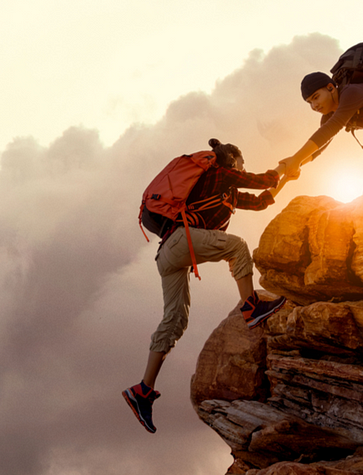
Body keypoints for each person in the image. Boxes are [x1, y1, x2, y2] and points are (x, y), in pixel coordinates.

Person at [122, 139, 287, 434]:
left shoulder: (224, 192)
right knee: (238, 246)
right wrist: (284, 169)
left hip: (168, 255)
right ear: (232, 161)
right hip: (183, 241)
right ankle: (251, 308)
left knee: (175, 321)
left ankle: (143, 390)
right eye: (241, 162)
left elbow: (261, 200)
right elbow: (262, 180)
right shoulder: (219, 174)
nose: (242, 168)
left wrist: (282, 180)